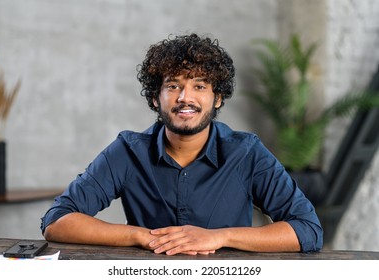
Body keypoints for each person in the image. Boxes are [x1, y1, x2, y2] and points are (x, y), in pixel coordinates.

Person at [41, 33, 323, 255]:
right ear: (155, 97)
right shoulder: (128, 151)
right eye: (173, 86)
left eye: (200, 86)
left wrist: (219, 237)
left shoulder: (246, 152)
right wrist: (142, 236)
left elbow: (307, 230)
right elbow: (57, 221)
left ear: (218, 98)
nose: (185, 97)